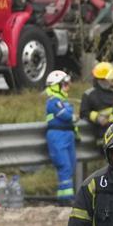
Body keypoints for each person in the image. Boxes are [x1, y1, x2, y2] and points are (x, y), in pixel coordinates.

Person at [44, 70, 79, 206]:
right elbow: (66, 115)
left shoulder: (63, 101)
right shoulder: (53, 102)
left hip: (67, 135)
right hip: (57, 136)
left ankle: (65, 196)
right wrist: (71, 113)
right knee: (64, 166)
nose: (67, 87)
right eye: (64, 84)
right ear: (56, 86)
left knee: (70, 166)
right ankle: (65, 199)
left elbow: (69, 113)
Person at [79, 61, 113, 149]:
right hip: (103, 135)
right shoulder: (89, 95)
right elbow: (83, 113)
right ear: (102, 80)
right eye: (111, 78)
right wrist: (97, 118)